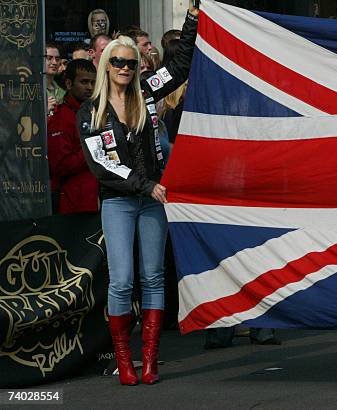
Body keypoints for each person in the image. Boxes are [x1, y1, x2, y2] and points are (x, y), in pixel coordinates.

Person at [77, 5, 199, 385]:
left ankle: (150, 361)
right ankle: (124, 361)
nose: (126, 68)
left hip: (151, 200)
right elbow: (103, 166)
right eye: (118, 62)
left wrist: (192, 22)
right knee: (122, 280)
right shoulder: (90, 111)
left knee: (153, 277)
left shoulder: (146, 90)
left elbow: (179, 68)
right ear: (106, 65)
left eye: (131, 63)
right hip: (118, 201)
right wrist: (147, 185)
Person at [47, 59, 98, 214]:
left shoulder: (96, 113)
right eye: (84, 82)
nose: (89, 87)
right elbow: (61, 165)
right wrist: (95, 148)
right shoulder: (61, 118)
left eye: (93, 83)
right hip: (72, 204)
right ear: (69, 84)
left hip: (96, 200)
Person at [45, 42, 66, 115]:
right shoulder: (34, 90)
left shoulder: (63, 92)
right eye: (49, 58)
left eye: (57, 59)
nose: (54, 62)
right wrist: (44, 111)